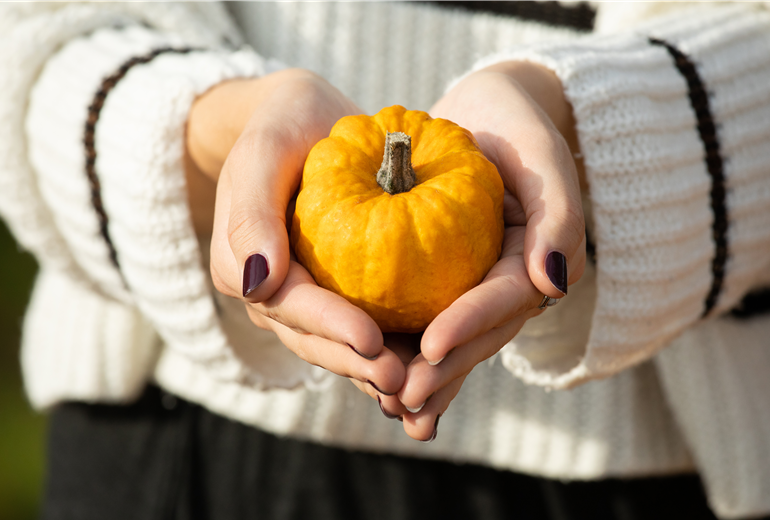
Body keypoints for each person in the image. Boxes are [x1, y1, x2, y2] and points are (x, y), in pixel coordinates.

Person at [1, 1, 769, 518]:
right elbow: (40, 30)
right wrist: (216, 130)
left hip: (660, 468)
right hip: (175, 450)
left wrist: (589, 120)